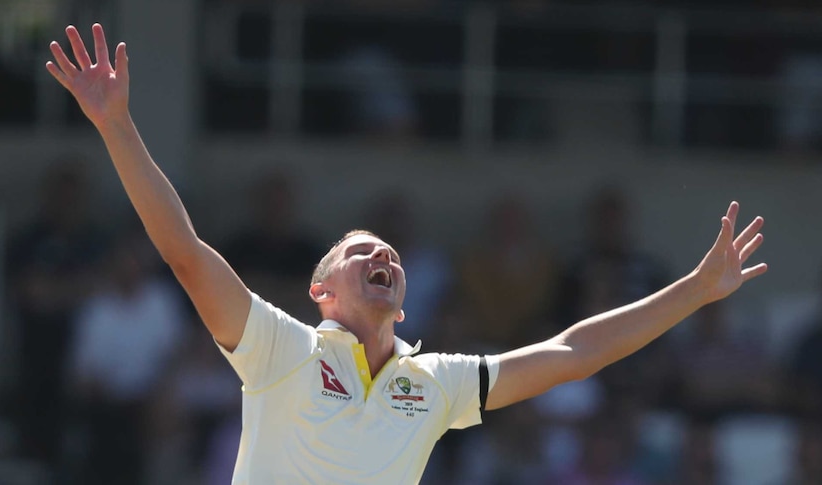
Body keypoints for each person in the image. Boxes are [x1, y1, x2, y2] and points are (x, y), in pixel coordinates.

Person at [46, 23, 769, 484]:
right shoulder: (279, 348)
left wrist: (695, 291)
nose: (381, 254)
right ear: (320, 288)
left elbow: (575, 350)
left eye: (388, 252)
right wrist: (116, 126)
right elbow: (185, 252)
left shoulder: (438, 384)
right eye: (361, 252)